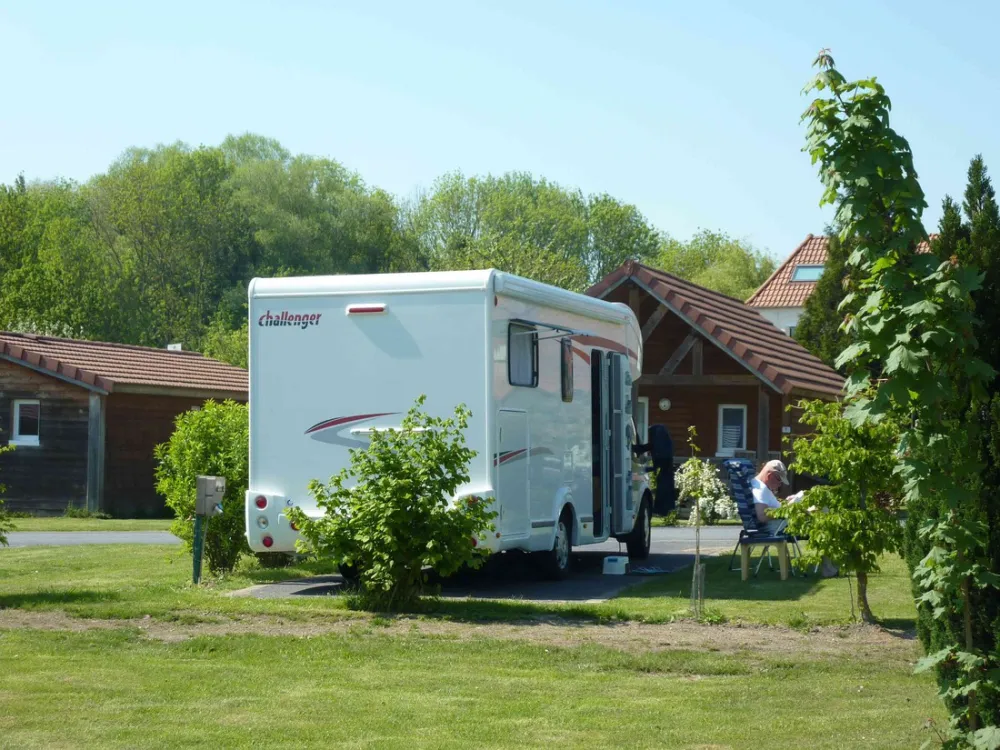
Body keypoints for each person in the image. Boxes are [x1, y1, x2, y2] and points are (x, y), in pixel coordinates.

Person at [752, 459, 838, 577]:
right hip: (781, 528)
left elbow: (770, 508)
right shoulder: (760, 490)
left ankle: (830, 565)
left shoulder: (760, 486)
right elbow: (762, 516)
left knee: (820, 509)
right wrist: (788, 508)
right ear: (769, 475)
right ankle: (829, 567)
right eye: (779, 480)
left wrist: (787, 503)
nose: (780, 484)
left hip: (783, 523)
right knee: (824, 522)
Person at [633, 423, 676, 515]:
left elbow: (660, 462)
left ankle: (662, 510)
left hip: (664, 471)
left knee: (663, 490)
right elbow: (644, 448)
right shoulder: (663, 443)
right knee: (663, 489)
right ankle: (661, 509)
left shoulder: (660, 445)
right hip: (664, 471)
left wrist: (646, 469)